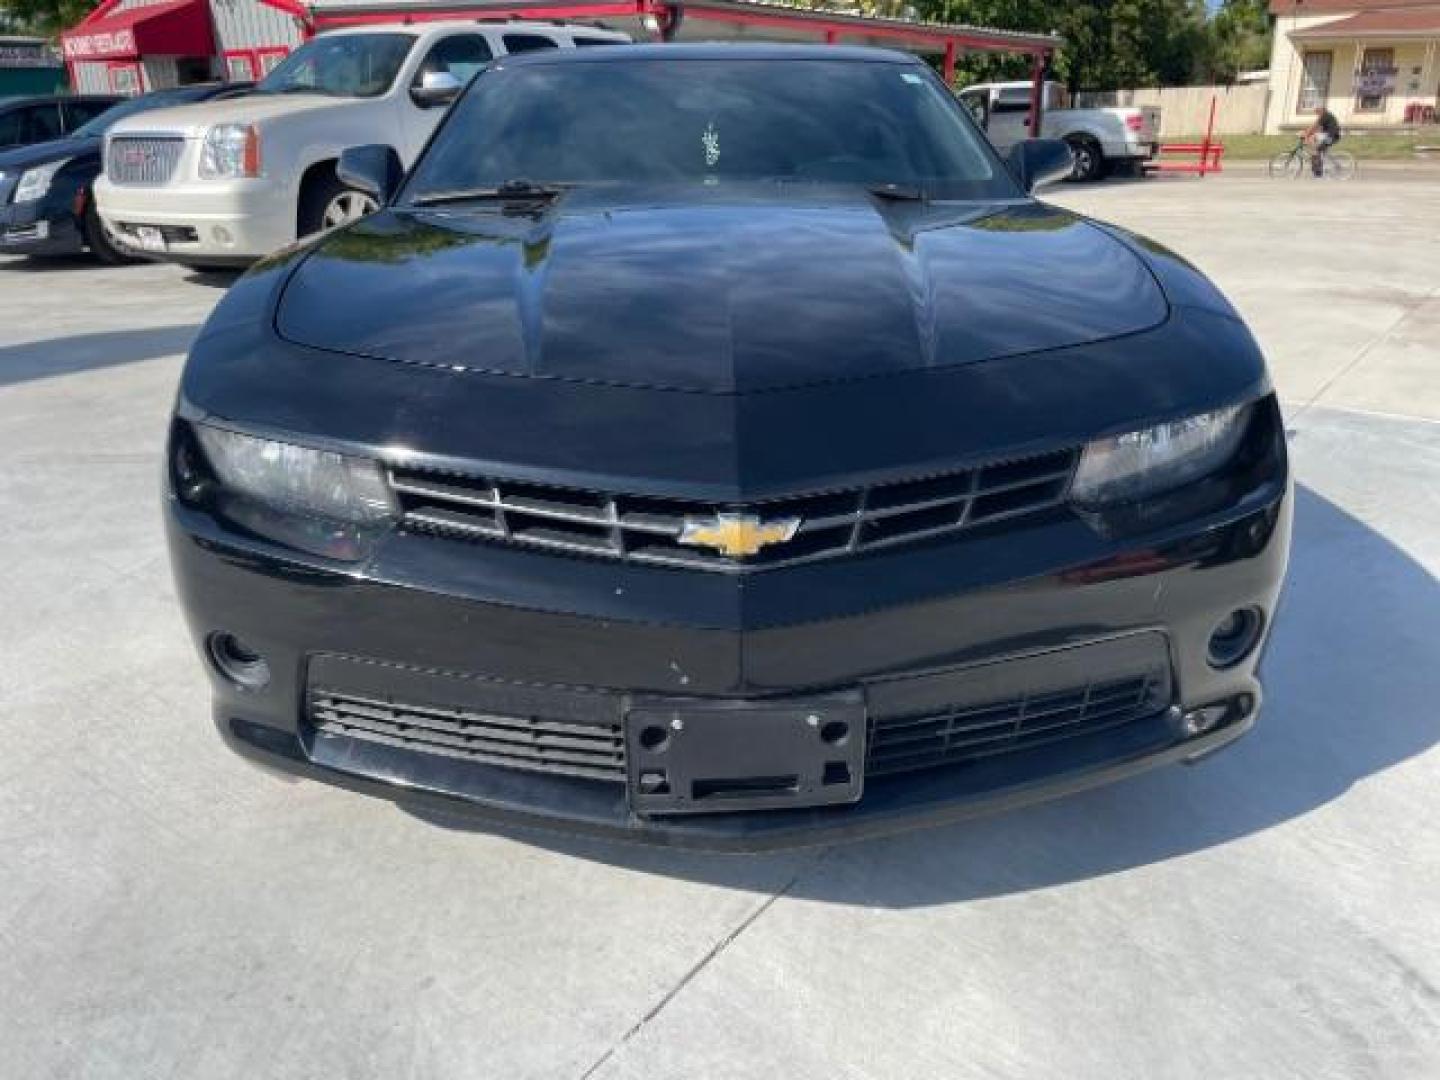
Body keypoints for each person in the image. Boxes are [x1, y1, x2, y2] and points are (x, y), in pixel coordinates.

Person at [1304, 105, 1342, 177]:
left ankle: (1318, 170)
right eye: (1316, 112)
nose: (1317, 114)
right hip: (1329, 135)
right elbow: (1317, 129)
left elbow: (1315, 126)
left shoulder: (1325, 116)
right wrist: (1307, 132)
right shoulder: (1325, 116)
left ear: (1322, 110)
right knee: (1316, 144)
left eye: (1317, 111)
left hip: (1332, 136)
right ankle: (1317, 165)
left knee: (1318, 149)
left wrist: (1307, 134)